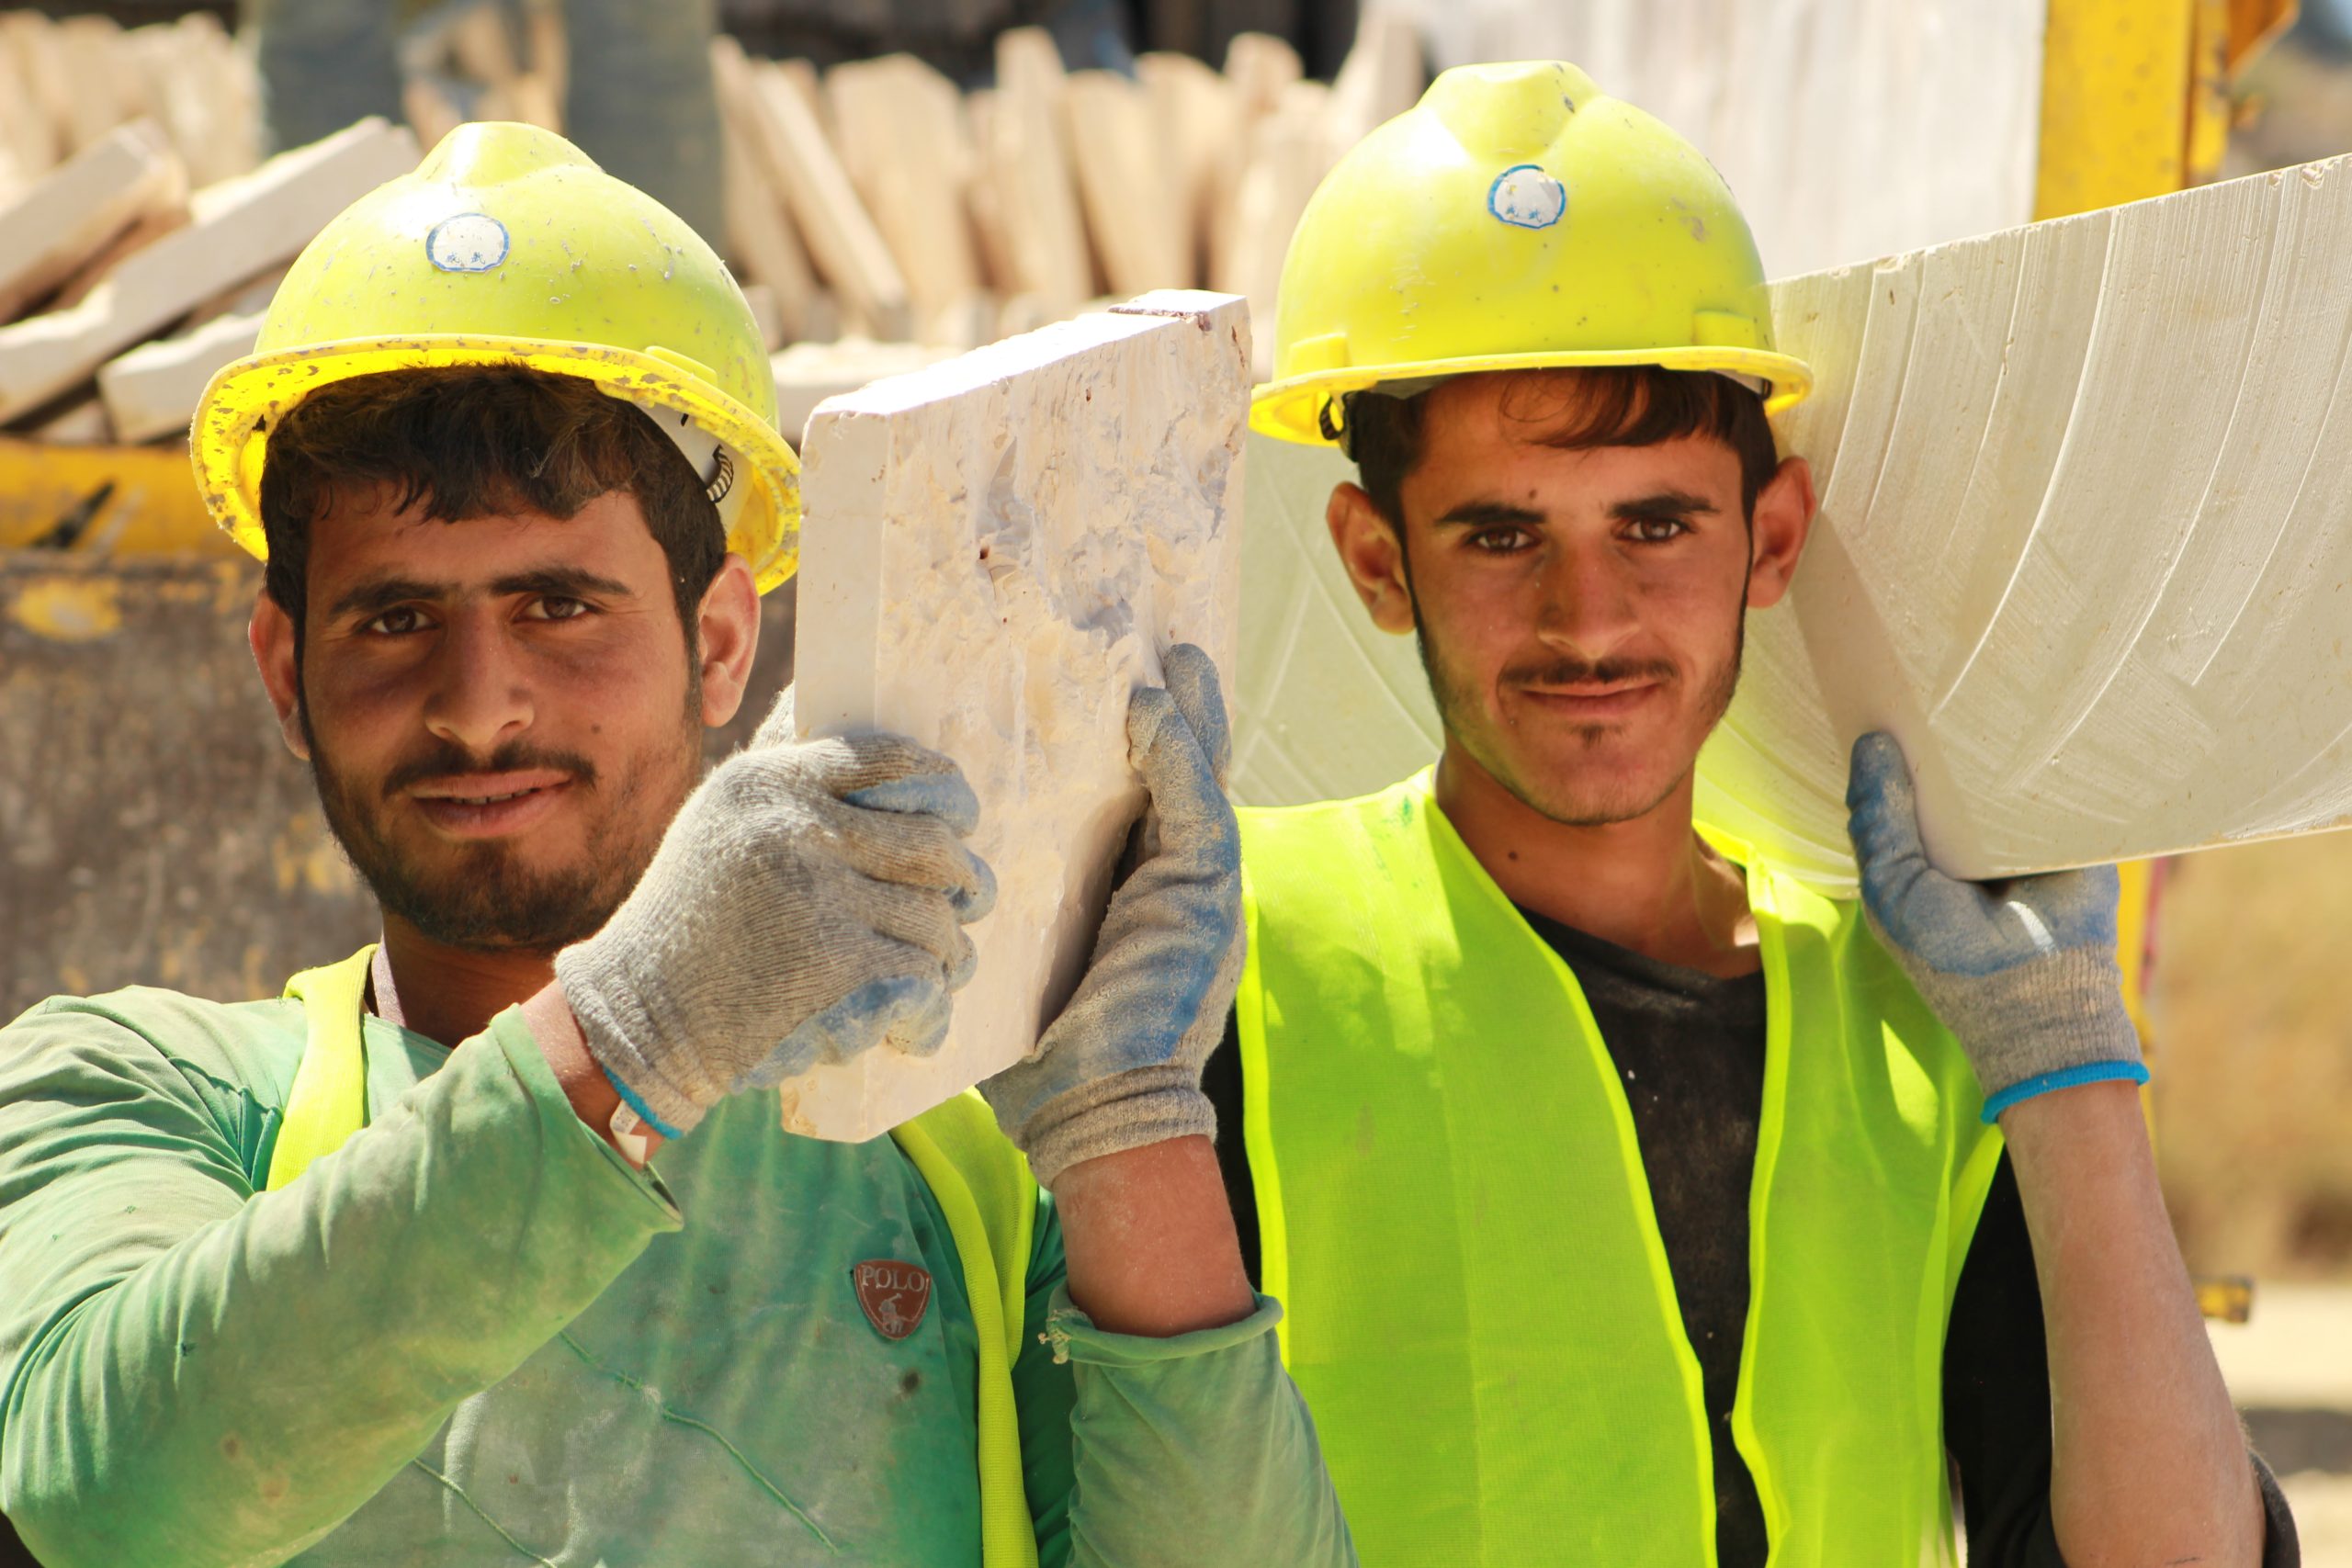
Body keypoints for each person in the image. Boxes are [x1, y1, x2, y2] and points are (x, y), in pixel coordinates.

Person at [0, 123, 1352, 1568]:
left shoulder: (954, 1174)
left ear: (719, 648)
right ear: (285, 674)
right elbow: (112, 1494)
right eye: (393, 619)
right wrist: (644, 1023)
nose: (474, 708)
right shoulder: (139, 1090)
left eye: (559, 608)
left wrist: (1128, 1125)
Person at [1211, 59, 2297, 1566]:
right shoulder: (1225, 970)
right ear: (1377, 560)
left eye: (1656, 524)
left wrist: (2067, 1069)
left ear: (1769, 538)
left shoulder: (1918, 1021)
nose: (1588, 618)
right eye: (1501, 533)